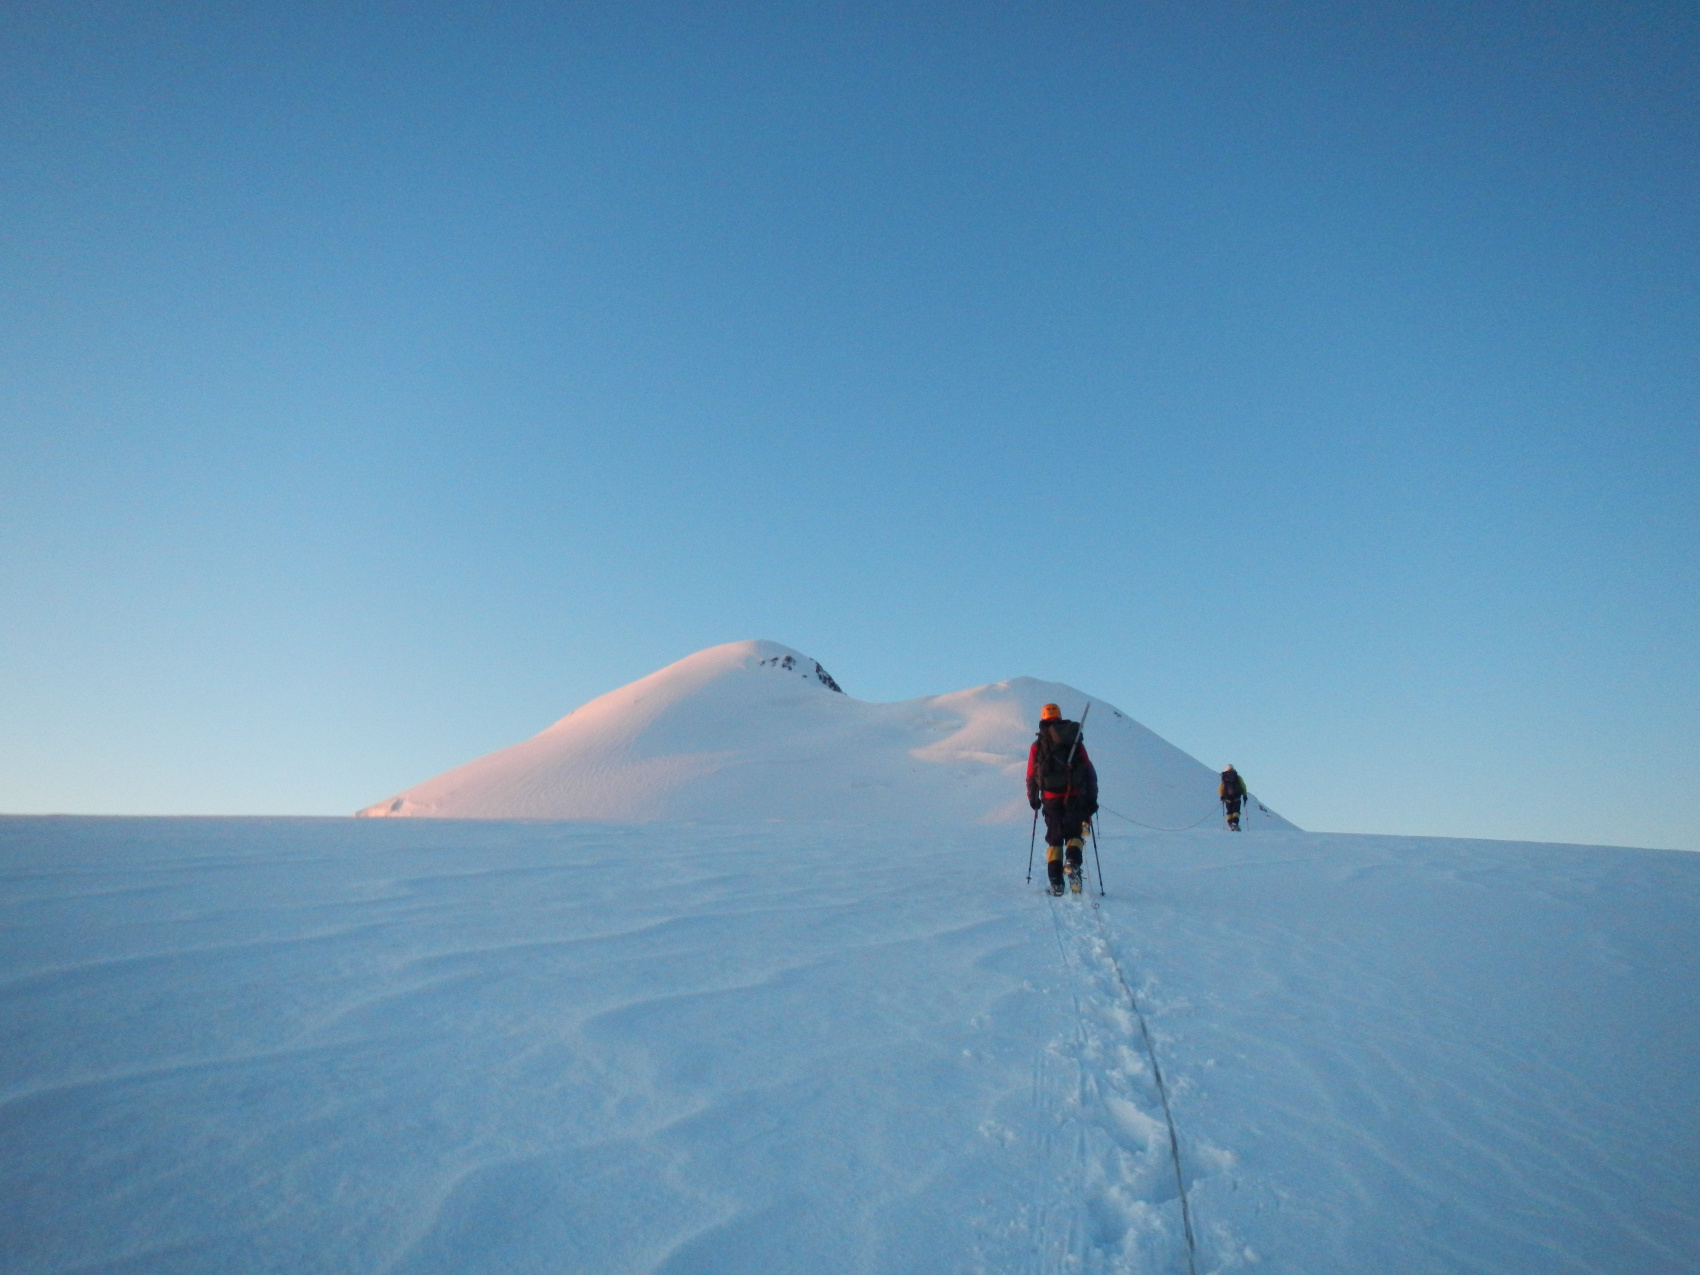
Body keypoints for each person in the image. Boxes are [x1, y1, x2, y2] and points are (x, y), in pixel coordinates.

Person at [1027, 704, 1099, 895]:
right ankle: (1073, 863)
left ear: (1042, 718)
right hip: (1075, 795)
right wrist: (1092, 799)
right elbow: (1089, 771)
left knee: (1055, 838)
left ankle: (1056, 883)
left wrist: (1033, 798)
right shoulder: (1074, 740)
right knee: (1074, 833)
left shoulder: (1038, 745)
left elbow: (1031, 774)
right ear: (1060, 716)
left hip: (1050, 798)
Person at [1219, 764, 1247, 831]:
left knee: (1229, 811)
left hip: (1227, 798)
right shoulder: (1237, 777)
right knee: (1236, 811)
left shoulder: (1224, 778)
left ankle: (1230, 825)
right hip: (1236, 796)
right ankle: (1235, 824)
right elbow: (1243, 786)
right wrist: (1244, 795)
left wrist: (1222, 796)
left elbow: (1221, 788)